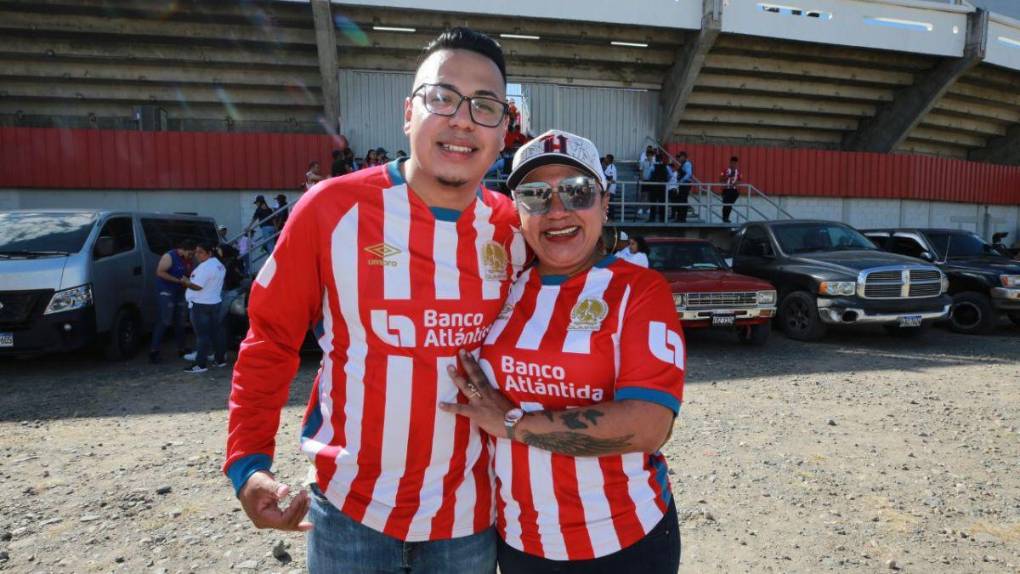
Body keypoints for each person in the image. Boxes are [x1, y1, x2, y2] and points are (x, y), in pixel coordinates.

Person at [223, 27, 527, 573]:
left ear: (503, 131)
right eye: (443, 97)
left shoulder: (514, 230)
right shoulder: (329, 209)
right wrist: (248, 463)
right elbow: (270, 339)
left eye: (484, 106)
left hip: (469, 521)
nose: (462, 120)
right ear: (409, 113)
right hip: (349, 514)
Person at [439, 130, 684, 573]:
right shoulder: (503, 287)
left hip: (624, 540)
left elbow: (649, 425)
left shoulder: (639, 290)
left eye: (577, 191)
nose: (557, 210)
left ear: (604, 203)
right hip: (520, 542)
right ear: (518, 212)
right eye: (535, 196)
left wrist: (513, 424)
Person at [182, 242, 227, 373]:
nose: (197, 254)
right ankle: (220, 359)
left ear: (209, 253)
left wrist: (186, 282)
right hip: (215, 302)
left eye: (200, 252)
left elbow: (198, 286)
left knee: (202, 336)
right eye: (196, 251)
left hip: (201, 304)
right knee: (215, 333)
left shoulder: (205, 267)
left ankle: (200, 364)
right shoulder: (220, 265)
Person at [148, 238, 195, 363]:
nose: (191, 256)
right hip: (167, 291)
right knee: (164, 320)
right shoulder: (169, 256)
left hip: (180, 291)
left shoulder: (188, 259)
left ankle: (181, 348)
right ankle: (154, 351)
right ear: (183, 250)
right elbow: (160, 272)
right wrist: (178, 281)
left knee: (180, 321)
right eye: (190, 253)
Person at [720, 155, 741, 223]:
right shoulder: (725, 170)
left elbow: (740, 180)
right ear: (730, 162)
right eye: (732, 163)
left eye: (735, 163)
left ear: (736, 163)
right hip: (726, 190)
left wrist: (736, 183)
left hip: (734, 190)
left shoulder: (738, 172)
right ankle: (725, 218)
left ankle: (726, 217)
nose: (733, 165)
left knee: (729, 204)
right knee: (726, 204)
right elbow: (721, 179)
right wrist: (728, 177)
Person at [675, 151, 694, 224]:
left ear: (683, 157)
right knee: (681, 200)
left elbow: (689, 174)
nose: (679, 158)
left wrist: (681, 180)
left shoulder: (687, 164)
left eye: (680, 157)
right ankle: (680, 217)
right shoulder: (683, 164)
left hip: (685, 184)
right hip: (682, 184)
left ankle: (682, 218)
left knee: (682, 200)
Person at [603, 154, 618, 222]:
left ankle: (612, 218)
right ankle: (609, 218)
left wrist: (606, 189)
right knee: (608, 204)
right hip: (609, 189)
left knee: (610, 204)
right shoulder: (609, 167)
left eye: (606, 158)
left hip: (610, 189)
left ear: (609, 159)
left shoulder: (611, 167)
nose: (605, 159)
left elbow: (610, 178)